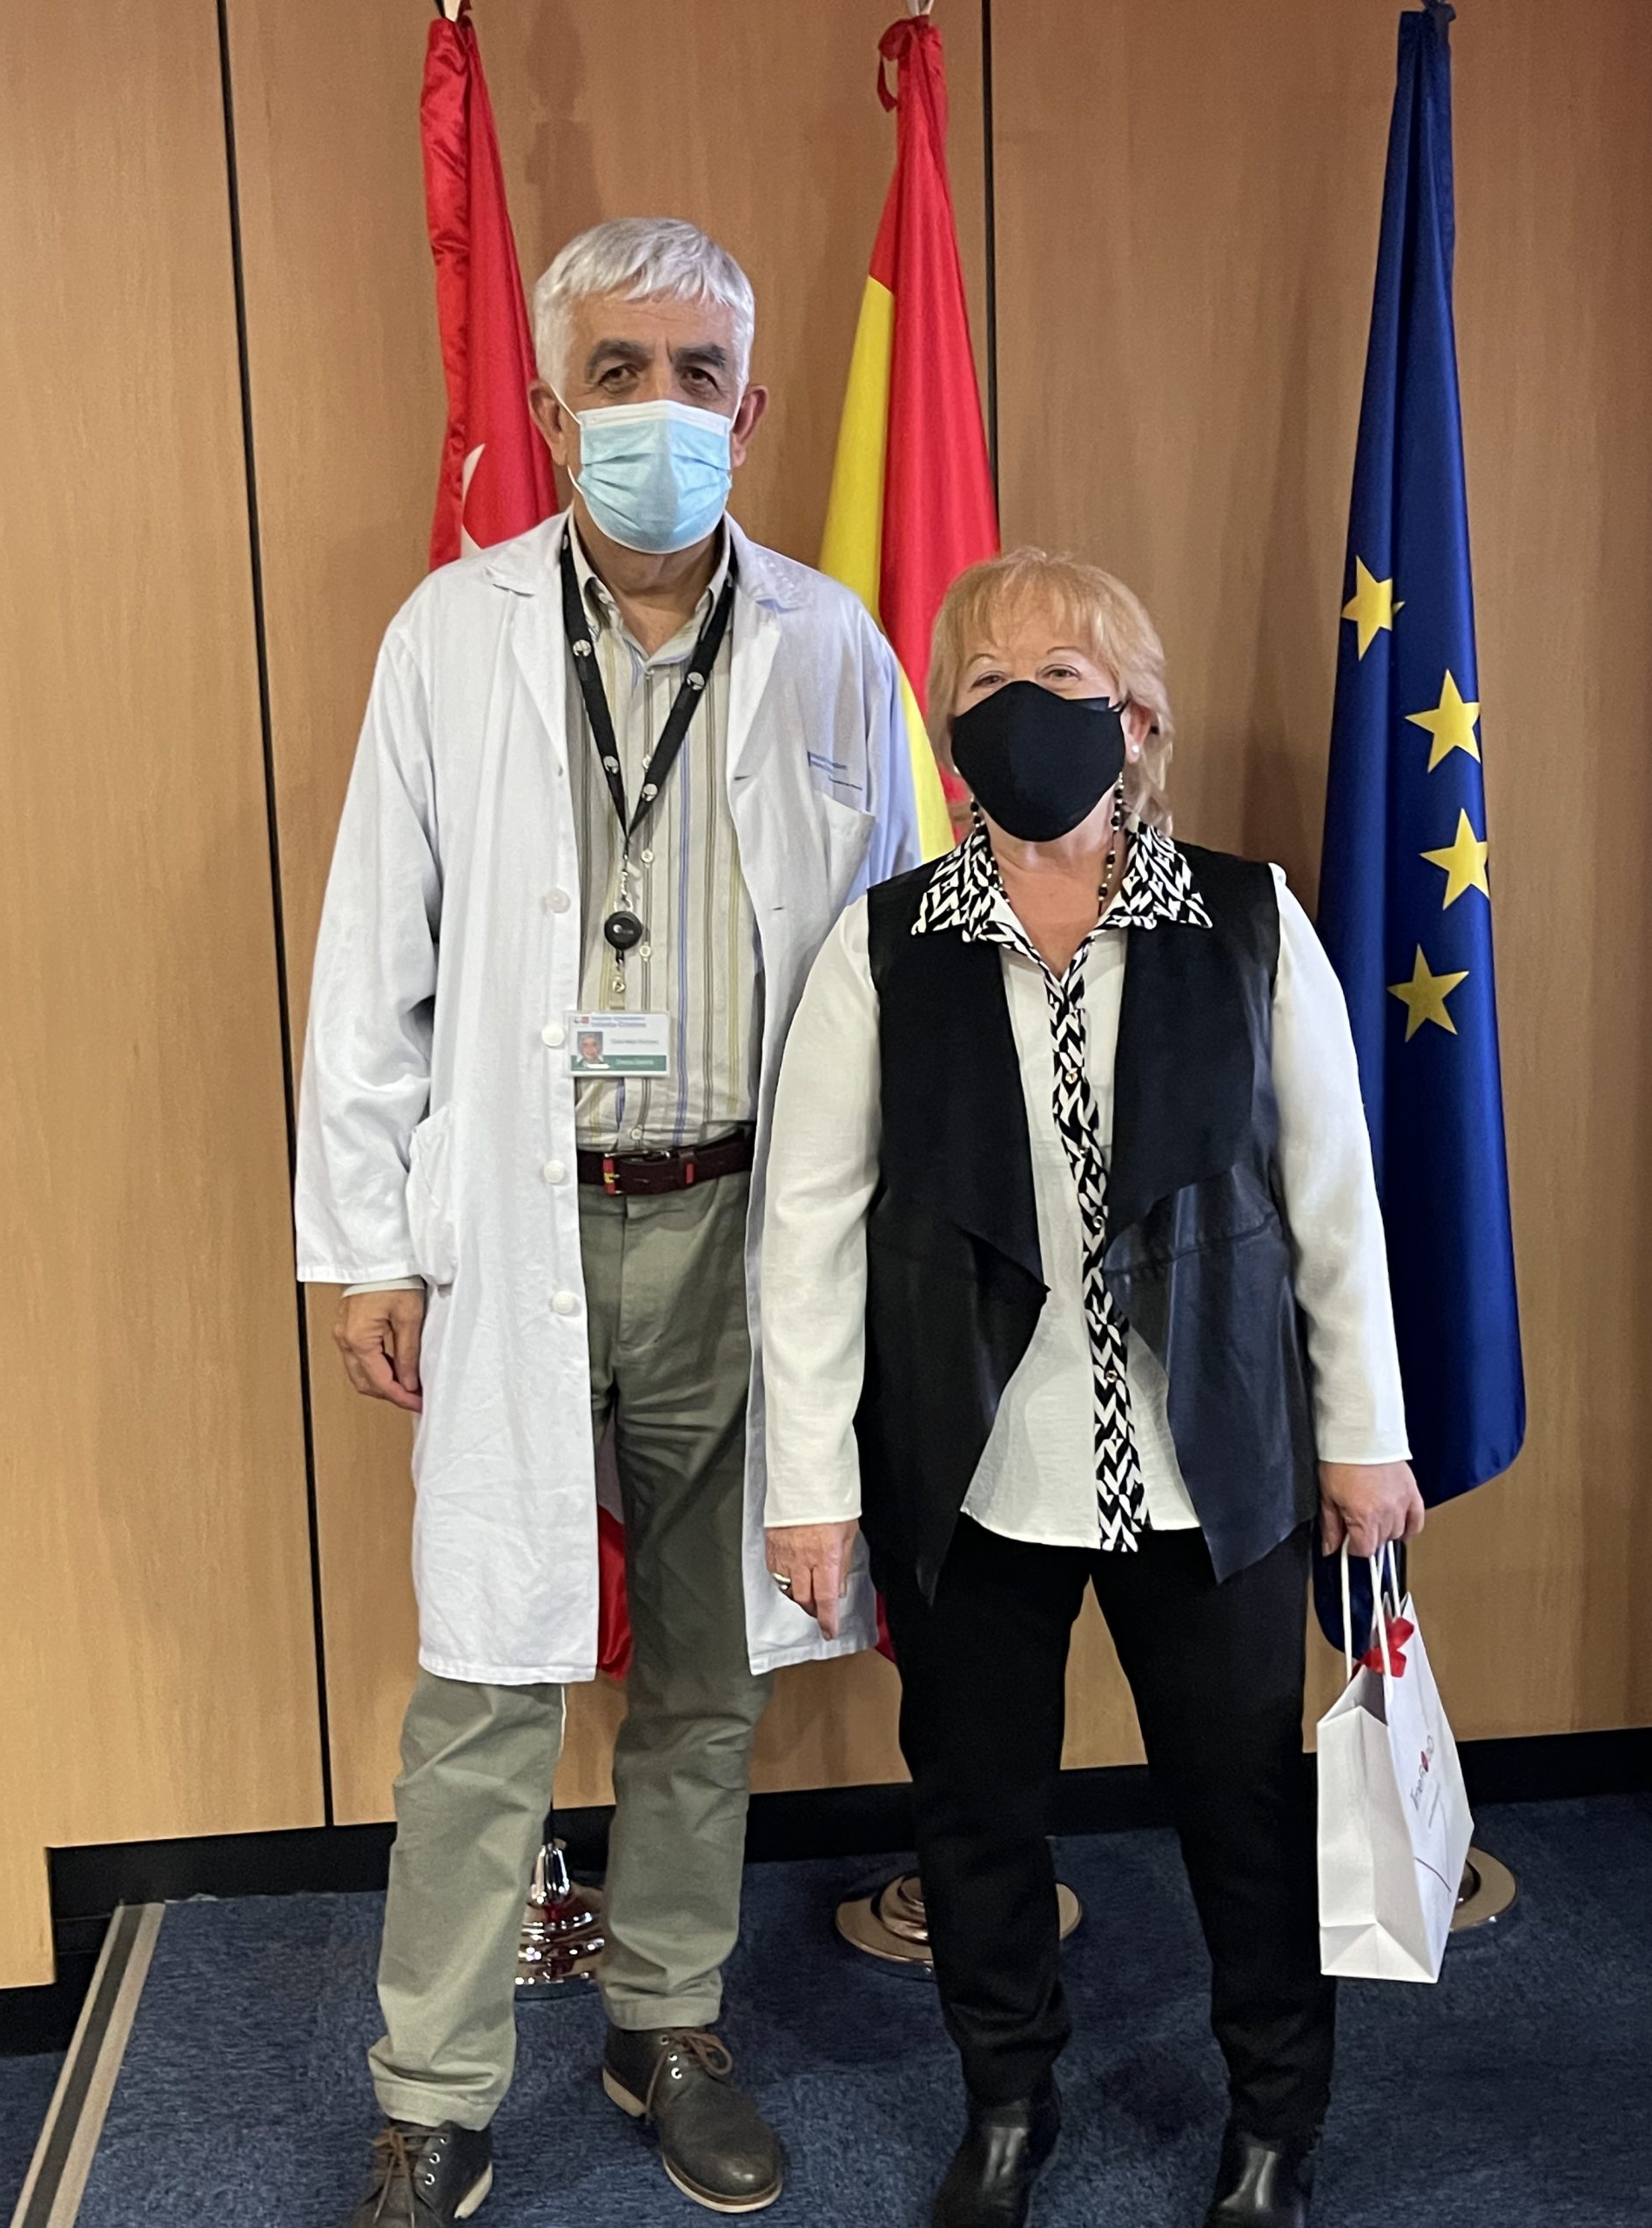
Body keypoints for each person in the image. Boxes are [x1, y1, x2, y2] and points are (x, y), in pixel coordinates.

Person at [295, 217, 919, 2227]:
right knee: (485, 1670)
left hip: (744, 1225)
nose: (662, 407)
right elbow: (370, 958)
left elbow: (899, 960)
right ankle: (434, 2091)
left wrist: (890, 1256)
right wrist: (367, 1242)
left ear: (756, 402)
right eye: (620, 372)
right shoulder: (449, 637)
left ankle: (665, 2018)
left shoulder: (834, 645)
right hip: (520, 1226)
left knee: (710, 1671)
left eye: (698, 373)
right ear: (556, 408)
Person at [758, 549, 1420, 2228]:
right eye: (990, 681)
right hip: (978, 1473)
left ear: (1136, 720)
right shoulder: (883, 950)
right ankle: (1007, 2104)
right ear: (949, 729)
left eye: (1066, 677)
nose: (1028, 709)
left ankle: (1273, 2120)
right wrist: (812, 1486)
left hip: (1212, 1467)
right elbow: (807, 1232)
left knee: (1244, 1812)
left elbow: (1334, 1200)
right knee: (976, 1817)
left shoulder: (1249, 923)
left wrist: (1364, 1440)